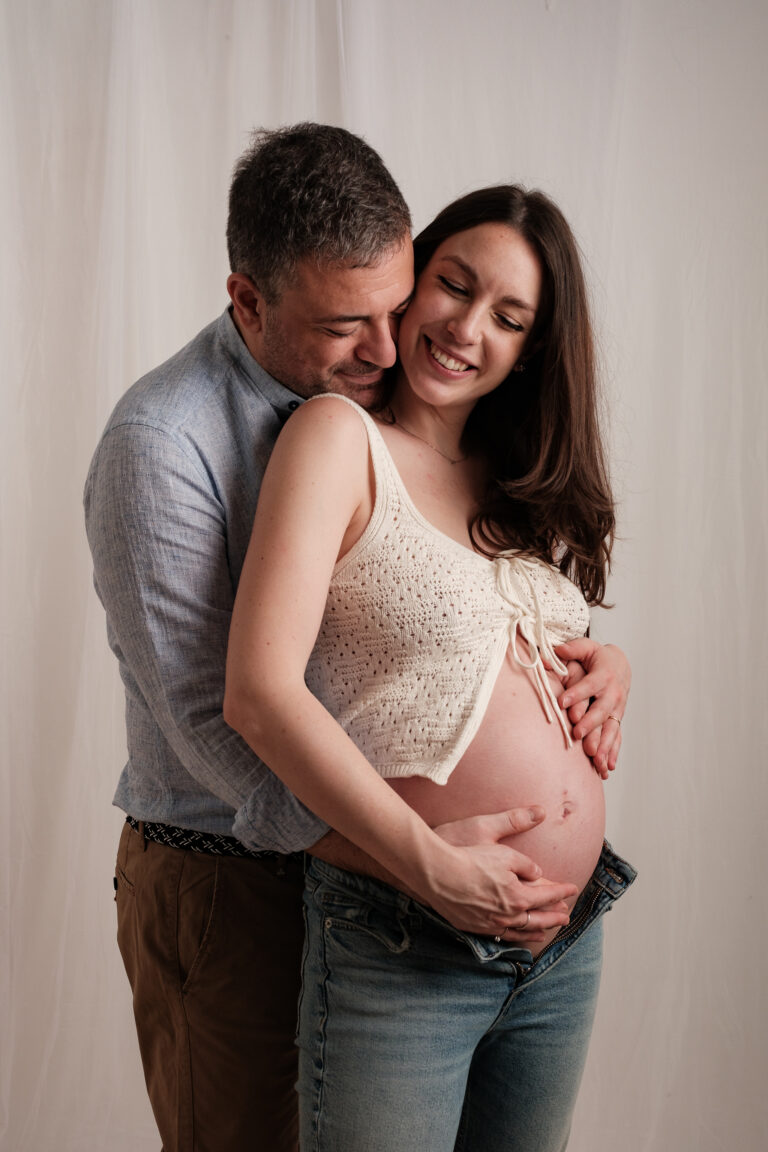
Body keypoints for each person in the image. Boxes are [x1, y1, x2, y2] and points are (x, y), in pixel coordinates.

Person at [85, 122, 630, 1152]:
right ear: (249, 299)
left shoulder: (397, 406)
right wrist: (410, 858)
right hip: (226, 869)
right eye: (349, 325)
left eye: (398, 304)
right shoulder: (163, 447)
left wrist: (600, 667)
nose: (389, 350)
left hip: (407, 879)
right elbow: (220, 722)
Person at [224, 183, 636, 1151]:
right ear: (411, 282)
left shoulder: (517, 481)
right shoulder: (338, 442)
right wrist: (435, 869)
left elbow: (499, 644)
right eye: (453, 284)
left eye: (509, 317)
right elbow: (259, 693)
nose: (466, 328)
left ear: (532, 349)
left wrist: (611, 664)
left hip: (564, 946)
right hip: (405, 937)